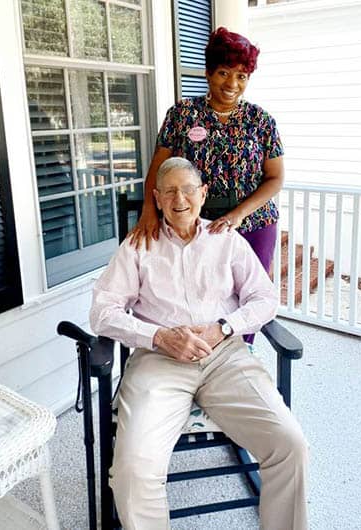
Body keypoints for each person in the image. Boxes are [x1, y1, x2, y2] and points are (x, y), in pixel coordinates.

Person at [90, 157, 308, 530]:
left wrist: (224, 327)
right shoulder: (138, 246)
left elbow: (264, 298)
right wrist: (158, 336)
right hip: (159, 361)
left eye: (189, 189)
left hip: (225, 356)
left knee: (290, 445)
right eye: (170, 191)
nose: (181, 198)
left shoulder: (226, 239)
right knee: (132, 469)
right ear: (156, 198)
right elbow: (102, 313)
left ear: (203, 193)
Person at [130, 26, 284, 279]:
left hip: (253, 223)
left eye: (242, 76)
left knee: (252, 298)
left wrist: (238, 215)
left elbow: (275, 178)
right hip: (195, 224)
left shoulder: (261, 120)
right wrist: (149, 211)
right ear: (208, 73)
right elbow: (158, 169)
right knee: (200, 295)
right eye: (224, 73)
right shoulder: (181, 114)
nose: (232, 84)